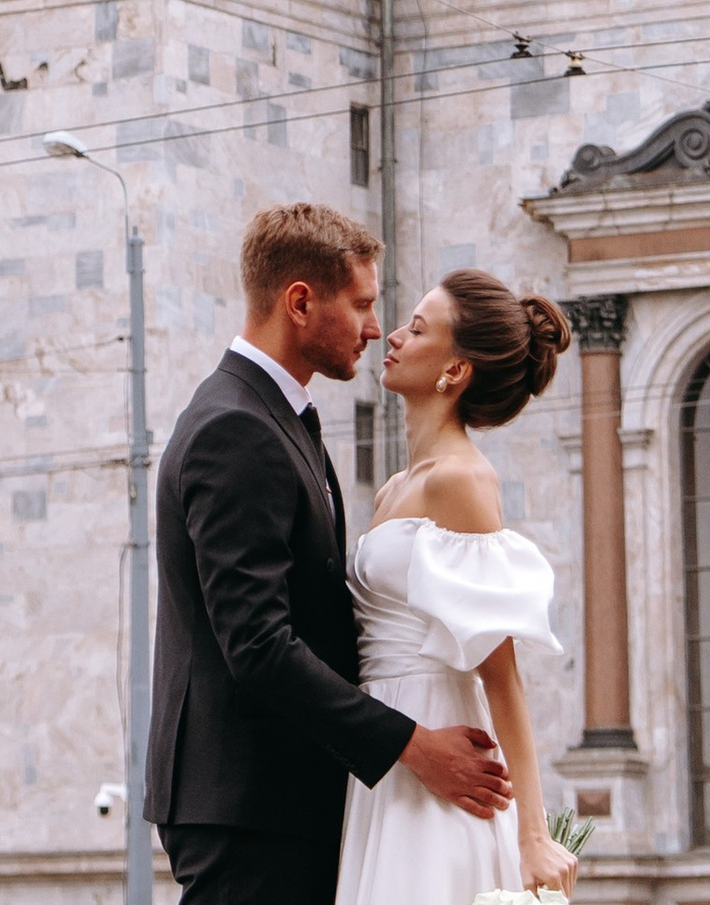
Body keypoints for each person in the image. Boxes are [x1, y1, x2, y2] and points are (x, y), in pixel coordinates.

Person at [146, 204, 513, 905]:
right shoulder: (235, 427)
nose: (377, 329)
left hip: (283, 799)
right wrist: (413, 744)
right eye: (363, 304)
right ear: (301, 302)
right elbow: (257, 643)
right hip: (249, 805)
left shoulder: (281, 418)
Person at [334, 270, 575, 903]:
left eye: (417, 329)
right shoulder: (394, 488)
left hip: (443, 746)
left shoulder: (462, 481)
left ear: (455, 370)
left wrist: (531, 835)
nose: (393, 335)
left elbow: (502, 675)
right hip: (388, 751)